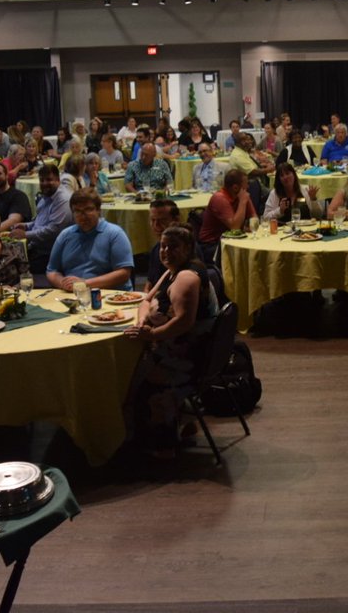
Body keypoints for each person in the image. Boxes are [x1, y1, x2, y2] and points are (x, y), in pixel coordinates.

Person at [125, 224, 220, 455]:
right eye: (163, 246)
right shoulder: (172, 271)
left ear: (188, 248)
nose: (165, 252)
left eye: (172, 247)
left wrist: (152, 335)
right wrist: (142, 322)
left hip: (185, 358)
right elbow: (146, 300)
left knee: (125, 376)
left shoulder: (187, 277)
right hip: (171, 348)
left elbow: (183, 323)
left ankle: (159, 442)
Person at [46, 188, 134, 291]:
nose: (83, 216)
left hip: (109, 296)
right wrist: (63, 283)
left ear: (99, 210)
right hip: (73, 295)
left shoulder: (115, 234)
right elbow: (52, 271)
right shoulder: (65, 235)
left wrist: (84, 284)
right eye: (77, 211)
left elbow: (124, 273)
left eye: (88, 209)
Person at [8, 163, 72, 274]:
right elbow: (41, 221)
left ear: (58, 180)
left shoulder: (63, 200)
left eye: (49, 180)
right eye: (42, 180)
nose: (44, 183)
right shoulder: (47, 195)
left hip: (50, 254)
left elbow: (53, 230)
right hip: (38, 248)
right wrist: (26, 225)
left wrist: (25, 235)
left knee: (15, 271)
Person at [199, 169, 258, 249]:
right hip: (211, 245)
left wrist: (250, 226)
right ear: (235, 188)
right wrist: (242, 202)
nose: (248, 187)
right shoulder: (219, 198)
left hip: (232, 240)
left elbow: (254, 220)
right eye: (246, 184)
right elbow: (234, 228)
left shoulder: (242, 196)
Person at [143, 199, 181, 290]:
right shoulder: (156, 249)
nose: (156, 225)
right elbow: (150, 282)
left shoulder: (185, 250)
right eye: (153, 220)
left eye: (162, 220)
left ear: (176, 220)